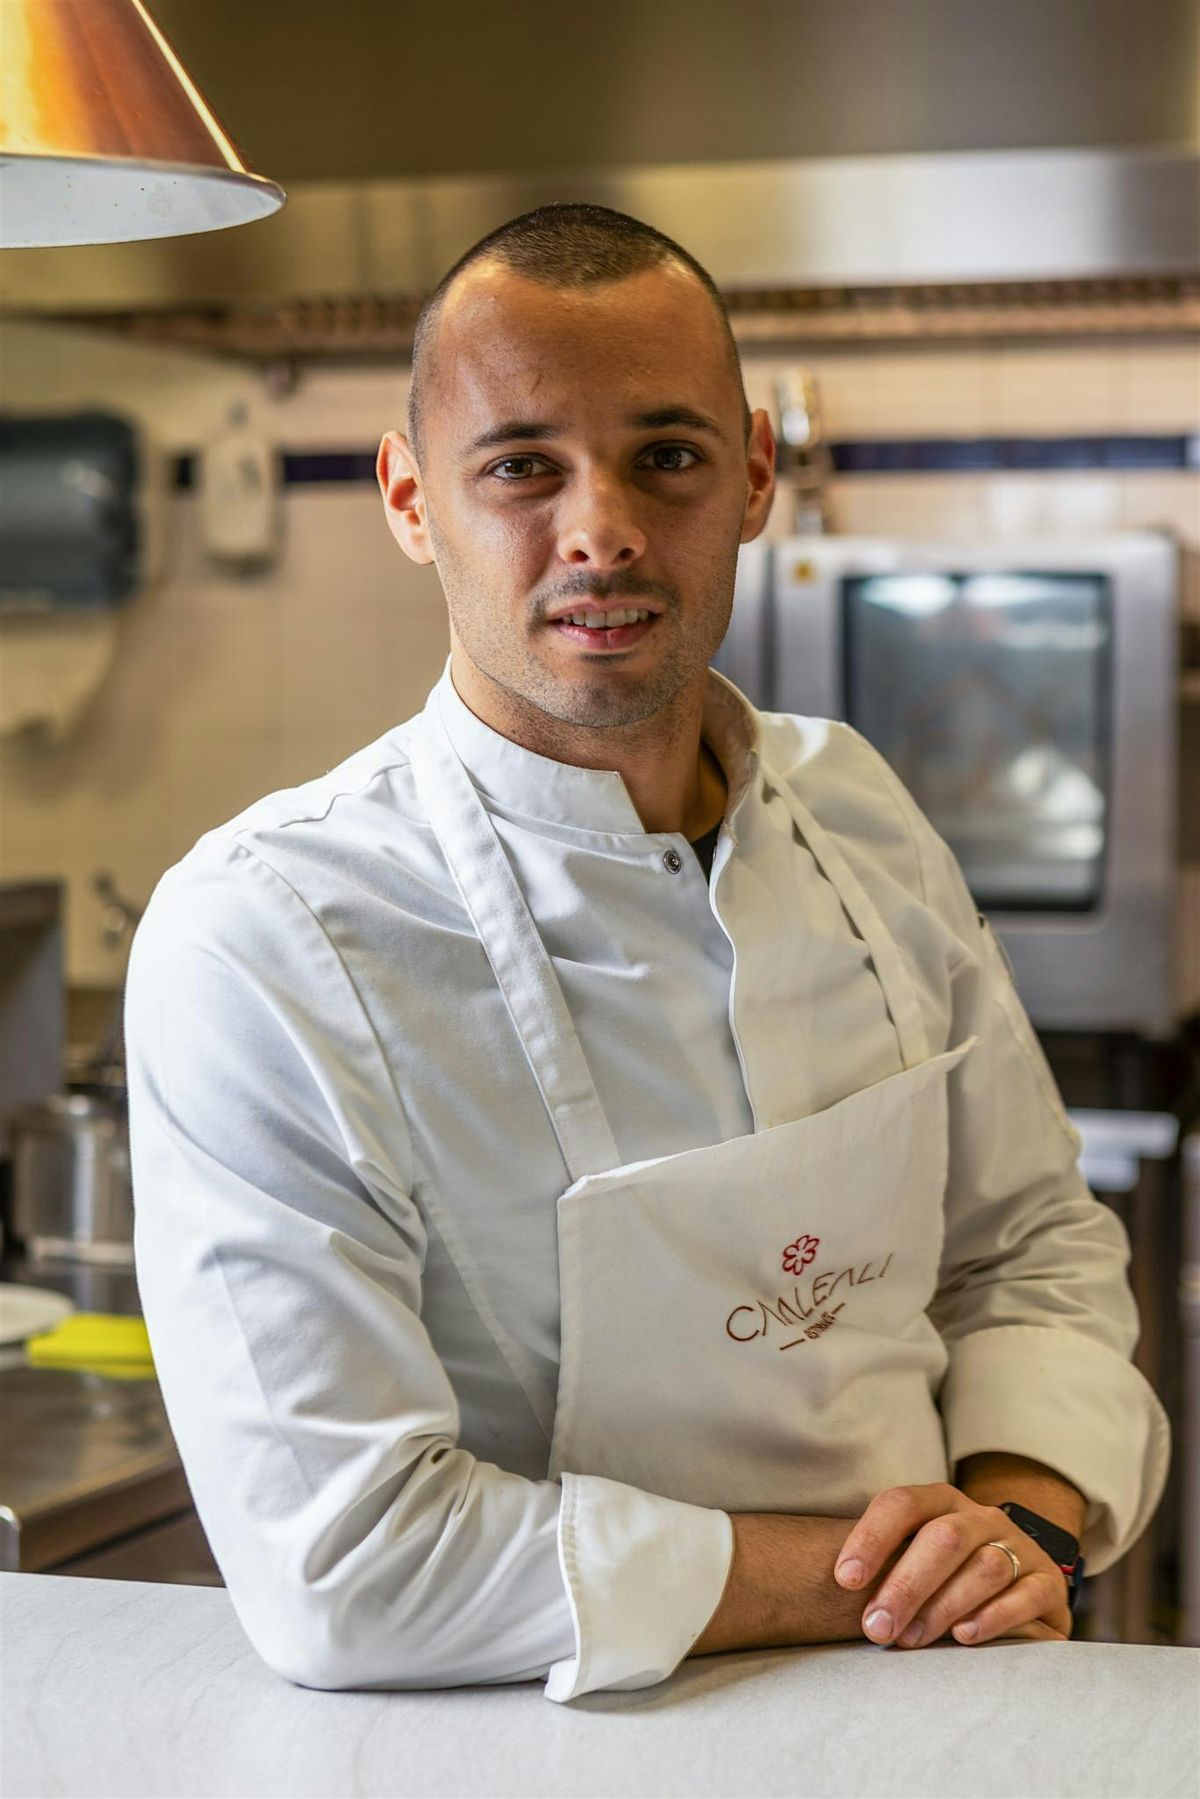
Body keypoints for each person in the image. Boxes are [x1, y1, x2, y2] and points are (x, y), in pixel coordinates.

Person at [125, 203, 1169, 1703]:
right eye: (521, 467)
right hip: (537, 1756)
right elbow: (348, 1565)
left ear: (753, 476)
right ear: (411, 500)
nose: (600, 530)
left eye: (667, 455)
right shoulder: (267, 934)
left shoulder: (858, 812)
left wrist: (1021, 1523)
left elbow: (1030, 1247)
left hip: (942, 1717)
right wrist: (879, 1586)